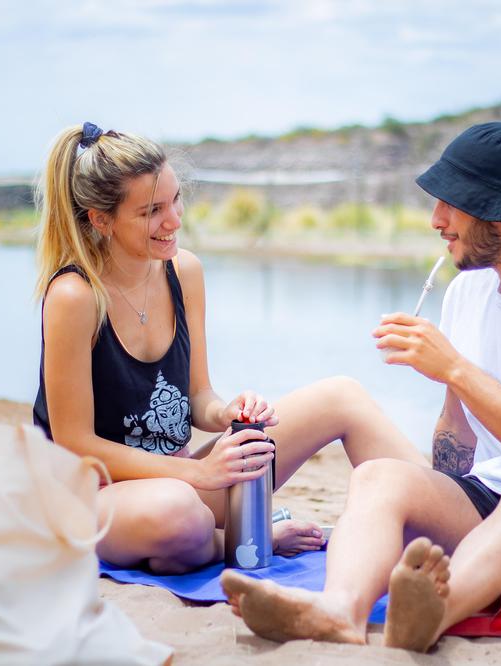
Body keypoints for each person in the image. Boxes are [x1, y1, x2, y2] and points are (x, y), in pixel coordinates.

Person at [221, 121, 501, 651]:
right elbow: (456, 433)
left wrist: (454, 368)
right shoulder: (468, 292)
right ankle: (340, 609)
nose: (436, 220)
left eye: (451, 204)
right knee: (379, 476)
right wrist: (433, 502)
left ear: (499, 210)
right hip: (500, 496)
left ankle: (440, 608)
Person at [32, 122, 425, 574]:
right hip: (97, 500)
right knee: (179, 512)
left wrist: (227, 413)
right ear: (101, 219)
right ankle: (246, 540)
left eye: (176, 200)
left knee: (341, 396)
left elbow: (198, 397)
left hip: (180, 481)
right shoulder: (74, 296)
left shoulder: (184, 272)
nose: (174, 220)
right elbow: (75, 443)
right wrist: (198, 473)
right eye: (151, 211)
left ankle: (450, 522)